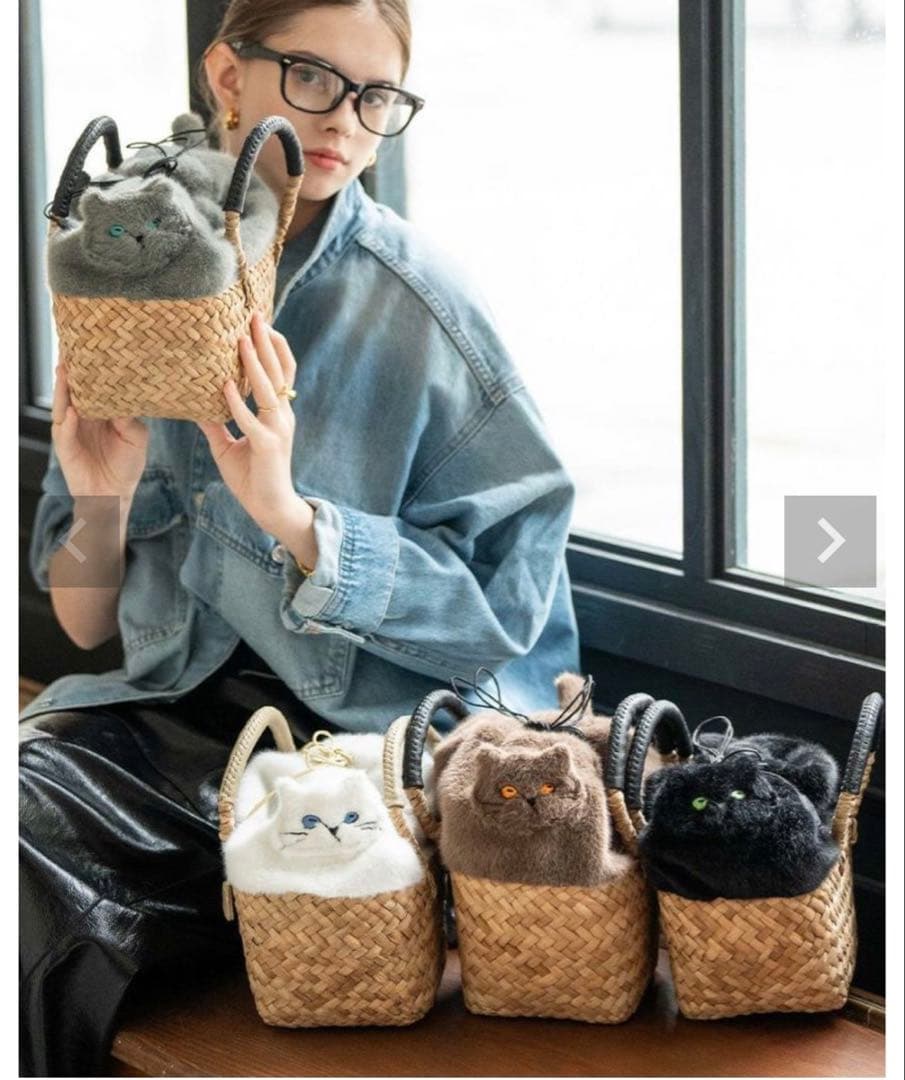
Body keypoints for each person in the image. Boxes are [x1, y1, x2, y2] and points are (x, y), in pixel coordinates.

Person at [20, 0, 581, 1073]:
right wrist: (98, 494)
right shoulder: (133, 278)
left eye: (378, 97)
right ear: (227, 76)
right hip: (165, 716)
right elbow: (86, 625)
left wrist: (290, 515)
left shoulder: (421, 311)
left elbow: (507, 618)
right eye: (314, 77)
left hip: (360, 752)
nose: (344, 122)